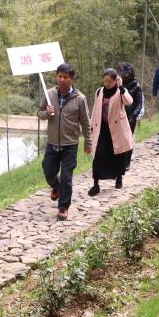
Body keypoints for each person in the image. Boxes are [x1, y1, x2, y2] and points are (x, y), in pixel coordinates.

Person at [38, 63, 92, 221]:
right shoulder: (49, 94)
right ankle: (56, 186)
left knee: (67, 176)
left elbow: (86, 123)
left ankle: (63, 207)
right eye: (59, 76)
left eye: (65, 77)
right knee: (48, 172)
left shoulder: (80, 99)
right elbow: (39, 113)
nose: (62, 80)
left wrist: (88, 142)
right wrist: (46, 113)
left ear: (72, 79)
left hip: (70, 144)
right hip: (52, 142)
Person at [88, 69, 135, 196]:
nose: (107, 83)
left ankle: (119, 178)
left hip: (116, 128)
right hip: (101, 129)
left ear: (116, 80)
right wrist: (91, 125)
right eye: (105, 81)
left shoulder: (120, 91)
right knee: (97, 156)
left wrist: (122, 88)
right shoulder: (99, 91)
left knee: (118, 155)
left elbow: (129, 102)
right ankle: (95, 184)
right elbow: (95, 109)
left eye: (110, 81)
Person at [118, 62, 144, 171]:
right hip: (119, 116)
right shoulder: (118, 85)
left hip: (130, 117)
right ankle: (119, 161)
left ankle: (127, 162)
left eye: (127, 73)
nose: (125, 75)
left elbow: (139, 103)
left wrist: (134, 115)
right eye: (123, 73)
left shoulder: (136, 86)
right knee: (119, 140)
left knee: (128, 140)